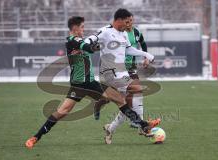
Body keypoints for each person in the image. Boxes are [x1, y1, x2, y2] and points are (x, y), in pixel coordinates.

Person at [25, 16, 156, 149]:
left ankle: (143, 125)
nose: (83, 29)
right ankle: (36, 137)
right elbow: (87, 47)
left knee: (118, 101)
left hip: (86, 83)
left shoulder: (79, 40)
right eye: (82, 27)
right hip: (82, 84)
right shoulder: (72, 41)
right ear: (75, 28)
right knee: (64, 112)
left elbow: (88, 45)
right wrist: (103, 45)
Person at [87, 8, 161, 144]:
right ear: (119, 20)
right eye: (127, 22)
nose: (129, 25)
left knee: (125, 104)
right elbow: (92, 38)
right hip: (109, 73)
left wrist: (145, 54)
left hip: (122, 72)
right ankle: (142, 125)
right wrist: (85, 43)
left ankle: (110, 128)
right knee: (136, 90)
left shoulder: (124, 34)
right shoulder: (106, 31)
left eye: (130, 22)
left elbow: (128, 49)